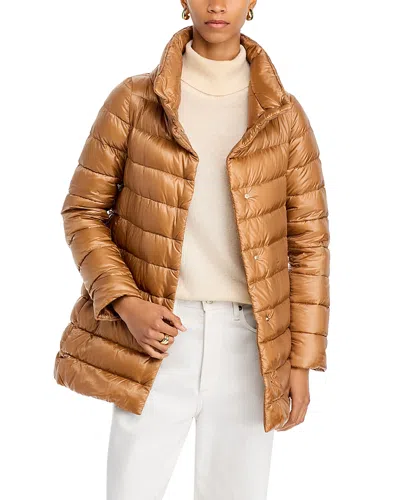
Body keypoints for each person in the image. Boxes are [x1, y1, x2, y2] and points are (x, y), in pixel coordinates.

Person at [53, 1, 330, 499]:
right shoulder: (134, 101)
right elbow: (83, 212)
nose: (217, 4)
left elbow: (309, 245)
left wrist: (301, 362)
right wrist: (126, 303)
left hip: (251, 344)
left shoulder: (285, 117)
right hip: (155, 337)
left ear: (253, 2)